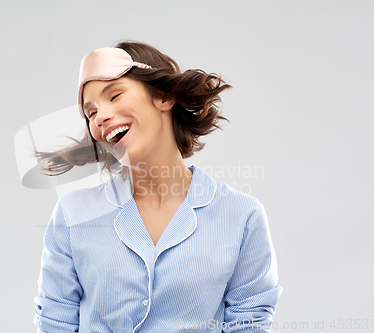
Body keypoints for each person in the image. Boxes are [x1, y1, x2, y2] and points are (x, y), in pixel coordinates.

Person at [33, 41, 282, 333]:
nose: (100, 118)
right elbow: (55, 323)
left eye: (114, 95)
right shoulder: (73, 214)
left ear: (164, 97)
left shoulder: (242, 216)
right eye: (90, 113)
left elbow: (248, 325)